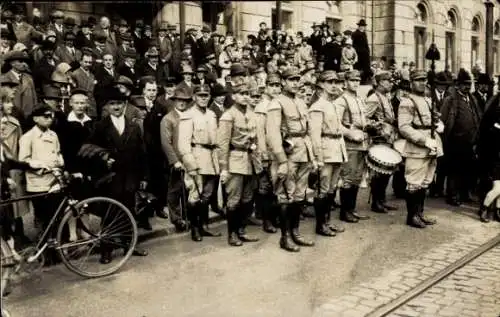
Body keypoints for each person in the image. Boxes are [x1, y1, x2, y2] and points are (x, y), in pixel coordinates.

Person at [87, 87, 149, 263]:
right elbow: (91, 149)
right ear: (107, 106)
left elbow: (142, 153)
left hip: (129, 177)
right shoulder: (100, 126)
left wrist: (144, 177)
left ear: (125, 105)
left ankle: (129, 244)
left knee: (129, 211)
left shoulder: (133, 126)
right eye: (112, 104)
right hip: (110, 178)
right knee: (109, 213)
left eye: (119, 103)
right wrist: (103, 161)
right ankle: (106, 249)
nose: (116, 107)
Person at [266, 67, 315, 252]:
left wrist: (313, 156)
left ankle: (295, 232)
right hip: (288, 155)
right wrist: (282, 161)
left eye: (297, 79)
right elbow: (273, 135)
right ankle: (285, 237)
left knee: (299, 196)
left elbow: (308, 130)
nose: (295, 83)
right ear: (283, 82)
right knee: (285, 196)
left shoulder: (301, 102)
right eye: (291, 80)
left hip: (303, 151)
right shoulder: (276, 103)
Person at [217, 83, 262, 246]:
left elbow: (256, 137)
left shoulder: (251, 113)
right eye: (241, 93)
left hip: (250, 160)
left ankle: (242, 230)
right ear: (234, 96)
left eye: (247, 93)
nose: (245, 96)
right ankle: (232, 234)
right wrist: (224, 168)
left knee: (248, 198)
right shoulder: (228, 116)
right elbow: (222, 144)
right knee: (233, 200)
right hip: (235, 159)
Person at [398, 70, 444, 228]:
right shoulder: (407, 102)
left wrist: (438, 124)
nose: (422, 83)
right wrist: (423, 140)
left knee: (425, 182)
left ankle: (420, 213)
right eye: (418, 80)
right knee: (414, 183)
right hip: (417, 147)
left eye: (424, 80)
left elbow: (433, 119)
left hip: (432, 145)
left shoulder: (428, 100)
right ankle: (412, 216)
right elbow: (404, 127)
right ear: (411, 83)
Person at [177, 84, 221, 241]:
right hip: (197, 158)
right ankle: (195, 228)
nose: (203, 98)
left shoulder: (211, 114)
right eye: (200, 95)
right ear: (194, 97)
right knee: (195, 195)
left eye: (206, 95)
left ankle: (204, 226)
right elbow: (183, 144)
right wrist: (191, 166)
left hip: (212, 159)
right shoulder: (188, 115)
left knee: (207, 196)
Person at [308, 70, 346, 237]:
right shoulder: (317, 107)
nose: (333, 86)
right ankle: (320, 224)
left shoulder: (332, 104)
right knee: (322, 190)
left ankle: (327, 221)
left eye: (335, 82)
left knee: (331, 189)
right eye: (329, 82)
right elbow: (315, 135)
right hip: (325, 150)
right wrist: (318, 157)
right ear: (321, 85)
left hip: (337, 148)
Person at [441, 69, 482, 206]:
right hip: (455, 141)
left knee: (468, 169)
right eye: (464, 84)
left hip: (470, 141)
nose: (467, 87)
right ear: (458, 84)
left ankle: (465, 194)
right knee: (454, 170)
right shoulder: (451, 100)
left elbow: (477, 116)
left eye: (469, 84)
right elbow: (444, 120)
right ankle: (452, 195)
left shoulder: (472, 98)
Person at [336, 70, 372, 223]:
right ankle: (345, 212)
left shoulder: (359, 99)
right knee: (348, 179)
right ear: (345, 82)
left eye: (358, 80)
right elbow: (336, 124)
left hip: (362, 143)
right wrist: (350, 134)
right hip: (350, 145)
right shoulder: (341, 100)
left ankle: (352, 209)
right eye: (352, 80)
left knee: (357, 178)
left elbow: (364, 120)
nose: (355, 83)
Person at [365, 71, 398, 213]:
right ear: (379, 82)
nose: (391, 83)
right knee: (379, 173)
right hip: (379, 139)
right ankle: (376, 202)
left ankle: (382, 200)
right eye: (387, 81)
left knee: (386, 172)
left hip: (388, 137)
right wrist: (377, 125)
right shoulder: (374, 98)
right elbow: (365, 118)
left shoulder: (385, 97)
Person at [160, 86, 192, 232]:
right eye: (179, 100)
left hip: (189, 158)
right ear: (174, 101)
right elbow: (166, 142)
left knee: (188, 189)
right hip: (176, 160)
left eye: (185, 101)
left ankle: (188, 217)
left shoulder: (189, 115)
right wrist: (175, 161)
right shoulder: (168, 119)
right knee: (174, 191)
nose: (182, 103)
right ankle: (177, 219)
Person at [254, 73, 281, 234]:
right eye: (272, 85)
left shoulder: (277, 104)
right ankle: (267, 220)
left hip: (278, 151)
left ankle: (275, 217)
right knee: (266, 187)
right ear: (266, 87)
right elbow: (260, 134)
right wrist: (263, 154)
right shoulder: (262, 107)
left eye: (278, 85)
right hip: (266, 152)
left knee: (276, 185)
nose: (276, 88)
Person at [351, 19, 371, 83]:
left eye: (363, 26)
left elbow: (366, 44)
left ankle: (364, 80)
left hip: (365, 54)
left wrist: (368, 51)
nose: (362, 27)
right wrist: (356, 52)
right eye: (361, 26)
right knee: (358, 67)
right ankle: (358, 80)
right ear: (358, 26)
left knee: (365, 67)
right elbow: (353, 44)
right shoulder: (354, 34)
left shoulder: (364, 34)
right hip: (358, 53)